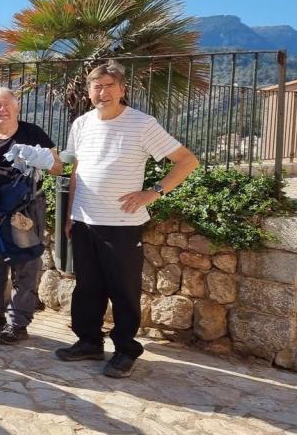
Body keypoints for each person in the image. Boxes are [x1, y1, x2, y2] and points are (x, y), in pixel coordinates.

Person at [56, 60, 198, 378]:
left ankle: (125, 350)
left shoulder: (142, 124)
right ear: (89, 91)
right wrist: (69, 216)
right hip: (83, 220)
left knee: (123, 290)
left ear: (122, 89)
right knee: (87, 287)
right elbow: (76, 172)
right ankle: (89, 342)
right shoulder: (81, 124)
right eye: (97, 86)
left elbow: (187, 161)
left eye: (109, 85)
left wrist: (153, 192)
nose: (103, 92)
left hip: (121, 225)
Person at [0, 87, 62, 345]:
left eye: (6, 105)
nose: (2, 110)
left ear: (17, 107)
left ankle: (18, 324)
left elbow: (57, 167)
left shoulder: (32, 133)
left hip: (26, 213)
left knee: (25, 267)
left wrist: (38, 158)